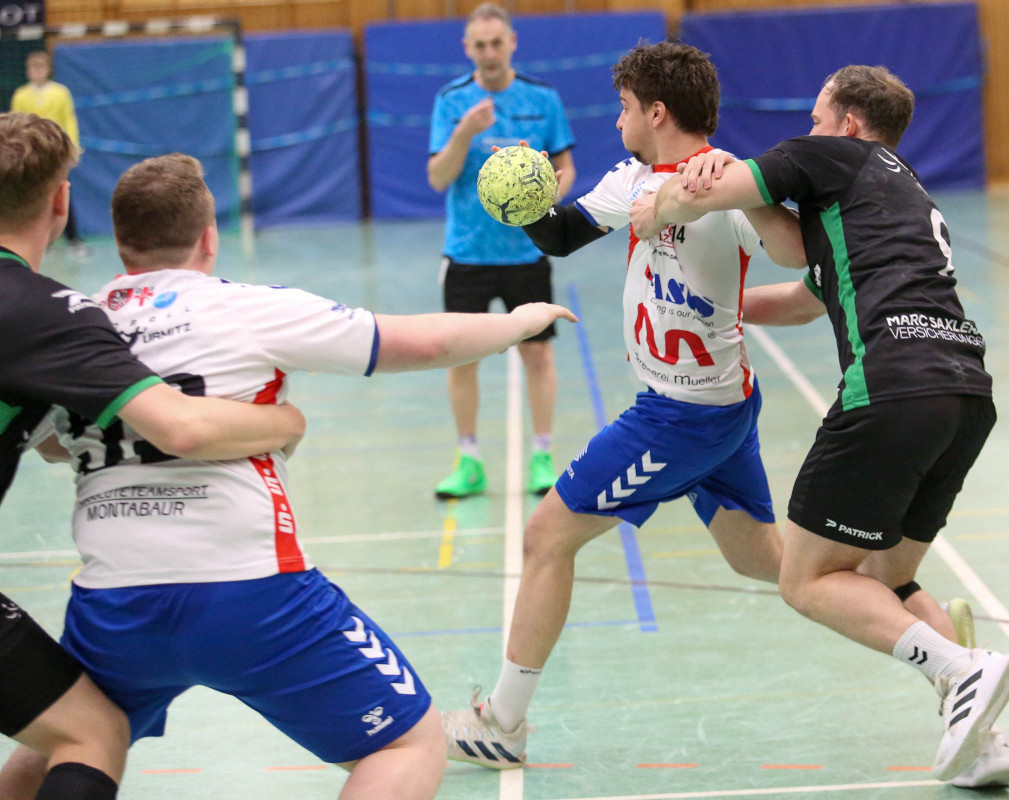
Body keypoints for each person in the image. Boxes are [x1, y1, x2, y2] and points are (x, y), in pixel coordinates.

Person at [0, 153, 576, 800]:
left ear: (119, 238)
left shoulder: (72, 320)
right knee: (408, 745)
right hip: (250, 591)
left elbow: (51, 444)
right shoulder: (250, 307)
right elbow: (421, 344)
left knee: (64, 745)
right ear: (209, 237)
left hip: (114, 597)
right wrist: (518, 322)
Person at [629, 65, 1009, 786]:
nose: (805, 130)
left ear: (847, 124)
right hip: (964, 394)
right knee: (882, 580)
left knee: (806, 579)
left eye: (815, 117)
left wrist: (658, 207)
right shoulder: (898, 193)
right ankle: (980, 736)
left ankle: (962, 670)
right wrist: (721, 310)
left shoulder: (833, 156)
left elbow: (711, 190)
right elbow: (804, 284)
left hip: (891, 389)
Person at [440, 40, 808, 769]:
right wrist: (526, 193)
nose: (617, 121)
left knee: (547, 537)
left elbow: (798, 252)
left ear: (657, 112)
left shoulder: (730, 185)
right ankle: (902, 606)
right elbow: (560, 235)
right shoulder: (635, 177)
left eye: (625, 107)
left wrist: (755, 190)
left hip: (681, 414)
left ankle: (501, 722)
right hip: (715, 407)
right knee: (764, 560)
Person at [0, 112, 305, 800]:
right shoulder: (43, 312)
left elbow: (49, 437)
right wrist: (281, 421)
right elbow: (181, 427)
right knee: (92, 736)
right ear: (61, 202)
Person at [427, 2, 577, 499]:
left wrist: (548, 193)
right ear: (467, 48)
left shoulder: (542, 98)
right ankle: (469, 460)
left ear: (512, 42)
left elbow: (566, 168)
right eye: (480, 45)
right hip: (467, 254)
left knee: (538, 355)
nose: (489, 53)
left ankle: (542, 456)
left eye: (497, 43)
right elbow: (438, 177)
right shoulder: (451, 101)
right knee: (461, 359)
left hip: (526, 254)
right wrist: (464, 133)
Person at [10, 51, 88, 256]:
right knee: (33, 195)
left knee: (62, 192)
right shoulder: (21, 95)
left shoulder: (60, 93)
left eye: (41, 67)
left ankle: (73, 240)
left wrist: (71, 147)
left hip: (55, 153)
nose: (37, 72)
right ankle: (40, 241)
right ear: (28, 71)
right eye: (33, 68)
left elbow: (69, 119)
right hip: (31, 153)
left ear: (48, 69)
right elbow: (15, 122)